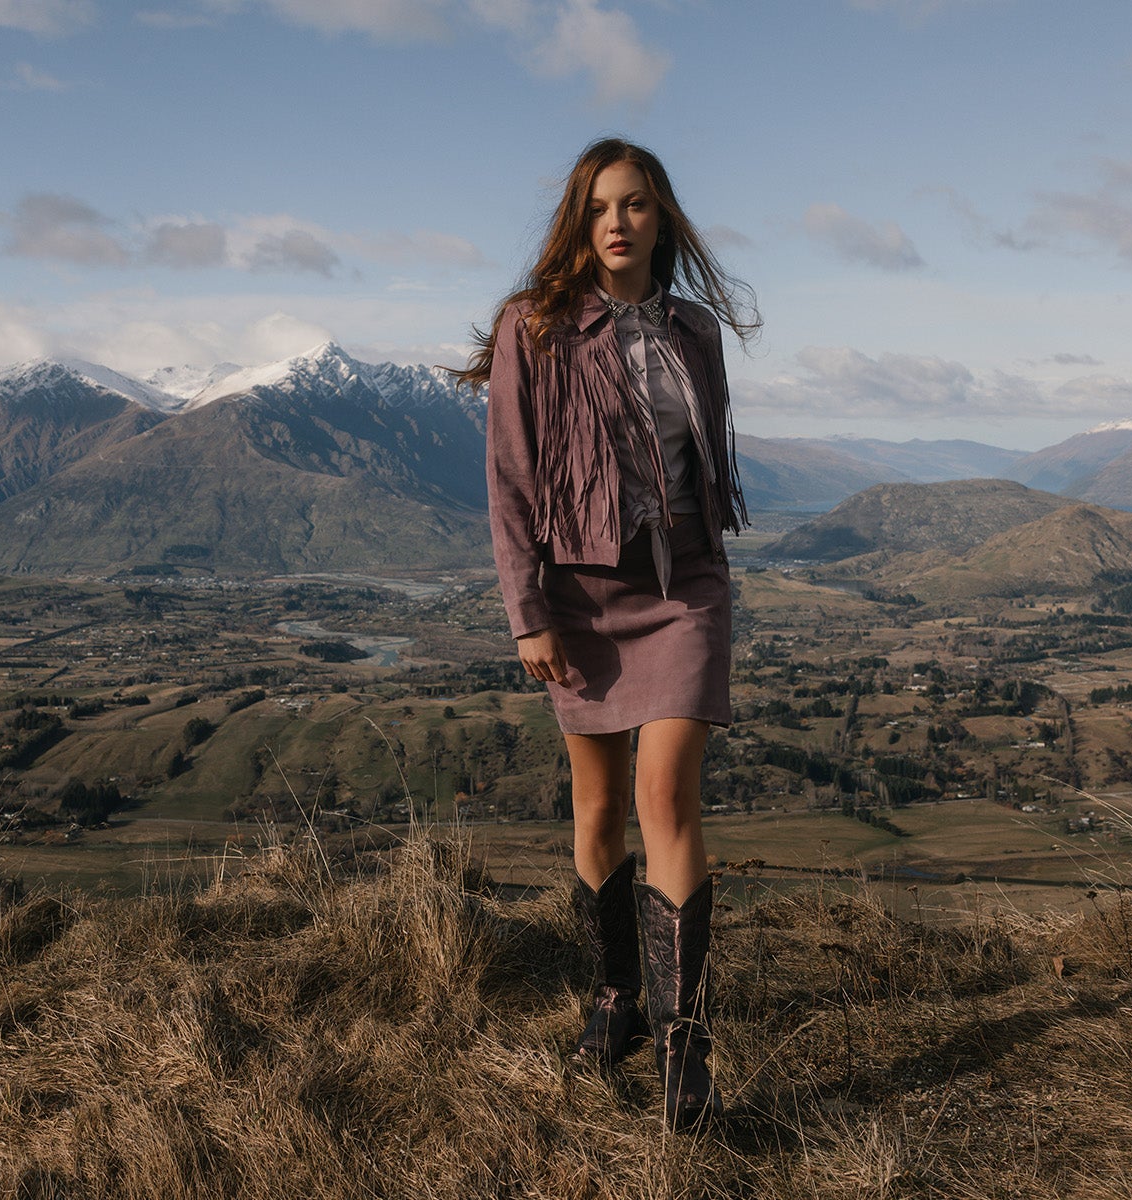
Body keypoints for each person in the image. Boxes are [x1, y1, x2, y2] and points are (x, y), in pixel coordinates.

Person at [447, 136, 755, 1133]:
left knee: (664, 794)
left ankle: (681, 1046)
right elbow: (507, 480)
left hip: (685, 588)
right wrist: (525, 610)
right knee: (594, 813)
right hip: (578, 598)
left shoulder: (695, 333)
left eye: (633, 204)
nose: (616, 222)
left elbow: (704, 468)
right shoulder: (531, 327)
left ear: (660, 218)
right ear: (577, 226)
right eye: (597, 208)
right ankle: (616, 995)